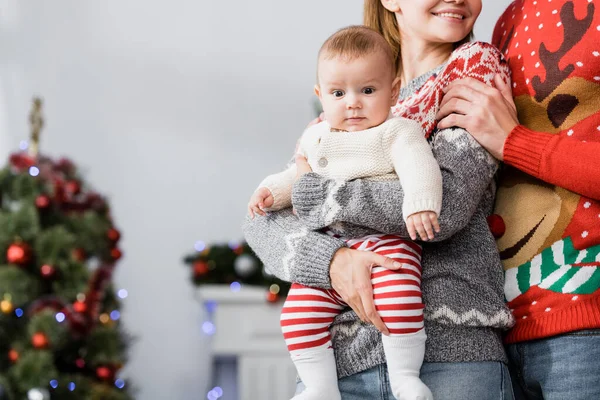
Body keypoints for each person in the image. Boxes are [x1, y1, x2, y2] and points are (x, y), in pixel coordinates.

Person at [244, 0, 516, 399]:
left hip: (448, 354)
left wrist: (314, 193)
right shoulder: (346, 90)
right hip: (339, 366)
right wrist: (332, 261)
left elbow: (442, 206)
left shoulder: (474, 67)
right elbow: (261, 221)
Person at [247, 25, 442, 400]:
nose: (352, 103)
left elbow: (419, 166)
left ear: (393, 89)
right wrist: (270, 191)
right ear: (321, 96)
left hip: (387, 243)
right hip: (330, 246)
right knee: (297, 316)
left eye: (368, 91)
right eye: (338, 93)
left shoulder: (397, 131)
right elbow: (297, 175)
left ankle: (405, 378)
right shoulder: (317, 136)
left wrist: (420, 202)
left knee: (400, 297)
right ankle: (321, 388)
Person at [436, 0, 600, 398]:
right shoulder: (511, 18)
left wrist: (515, 141)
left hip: (587, 326)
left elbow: (507, 140)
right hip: (502, 332)